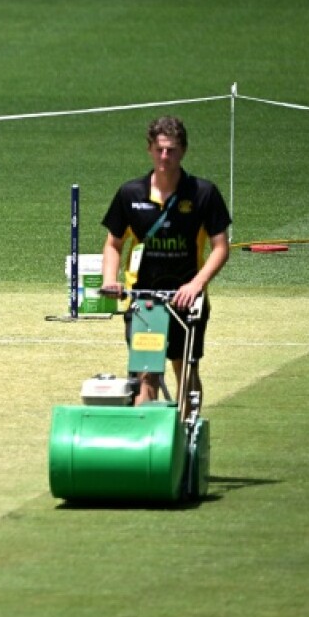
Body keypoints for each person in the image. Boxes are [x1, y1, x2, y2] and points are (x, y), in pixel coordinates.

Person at [100, 115, 231, 405]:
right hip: (143, 300)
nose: (165, 156)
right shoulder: (130, 193)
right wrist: (110, 280)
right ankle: (148, 441)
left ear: (183, 150)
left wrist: (196, 284)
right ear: (149, 149)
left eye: (171, 150)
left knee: (185, 369)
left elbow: (221, 247)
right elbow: (113, 244)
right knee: (145, 373)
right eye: (159, 149)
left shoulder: (203, 193)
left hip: (187, 299)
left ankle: (186, 433)